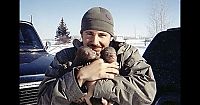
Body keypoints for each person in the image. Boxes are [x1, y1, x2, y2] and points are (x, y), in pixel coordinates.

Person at [37, 6, 156, 105]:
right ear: (81, 34)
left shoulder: (126, 55)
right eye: (89, 33)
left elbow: (147, 93)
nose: (95, 41)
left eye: (102, 35)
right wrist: (79, 77)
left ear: (111, 37)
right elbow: (43, 100)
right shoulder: (64, 58)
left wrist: (97, 86)